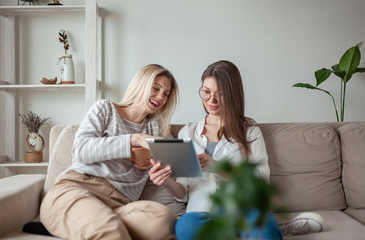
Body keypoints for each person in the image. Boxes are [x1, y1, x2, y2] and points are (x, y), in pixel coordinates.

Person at [149, 60, 323, 240]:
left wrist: (219, 167)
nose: (211, 100)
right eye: (206, 92)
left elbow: (261, 179)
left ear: (233, 95)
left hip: (244, 209)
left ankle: (260, 229)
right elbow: (183, 193)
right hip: (203, 213)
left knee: (263, 227)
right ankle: (271, 230)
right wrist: (167, 182)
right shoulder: (188, 132)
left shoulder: (249, 131)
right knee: (185, 227)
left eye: (220, 94)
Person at [40, 64, 179, 240]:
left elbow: (174, 173)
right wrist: (132, 140)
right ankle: (78, 219)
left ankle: (80, 223)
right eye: (156, 88)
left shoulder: (157, 129)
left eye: (166, 94)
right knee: (110, 231)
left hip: (121, 204)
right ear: (141, 84)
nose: (160, 97)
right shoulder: (105, 109)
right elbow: (80, 150)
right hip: (79, 187)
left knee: (163, 221)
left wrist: (155, 167)